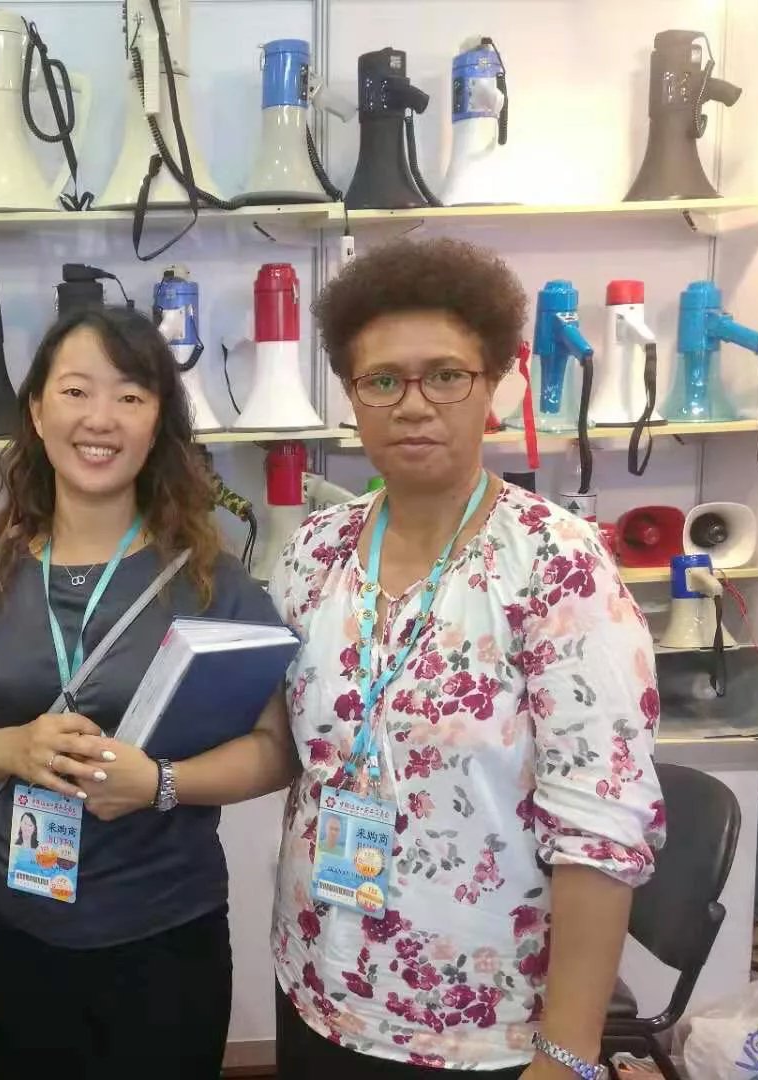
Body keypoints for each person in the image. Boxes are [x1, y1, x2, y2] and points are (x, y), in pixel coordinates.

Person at [268, 239, 665, 1080]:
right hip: (318, 987)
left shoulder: (556, 564)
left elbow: (600, 829)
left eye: (446, 375)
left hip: (483, 1025)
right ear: (352, 396)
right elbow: (286, 743)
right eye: (383, 381)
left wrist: (567, 1055)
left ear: (492, 385)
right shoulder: (314, 552)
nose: (414, 404)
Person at [0, 306, 298, 1079]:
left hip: (166, 929)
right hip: (18, 927)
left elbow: (275, 750)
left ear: (159, 422)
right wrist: (11, 748)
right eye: (76, 391)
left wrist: (161, 783)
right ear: (36, 411)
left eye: (130, 396)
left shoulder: (212, 583)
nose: (101, 419)